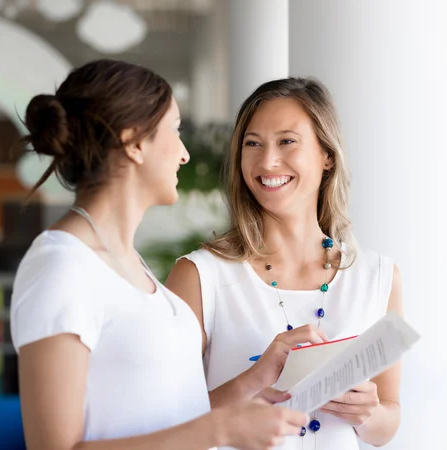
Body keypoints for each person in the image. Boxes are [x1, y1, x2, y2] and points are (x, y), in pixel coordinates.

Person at [10, 59, 309, 450]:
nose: (185, 154)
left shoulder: (128, 263)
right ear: (134, 142)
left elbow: (168, 421)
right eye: (175, 130)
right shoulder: (61, 266)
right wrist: (220, 431)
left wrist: (250, 384)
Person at [166, 77, 404, 449]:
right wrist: (251, 381)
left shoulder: (378, 278)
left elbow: (387, 424)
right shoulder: (199, 277)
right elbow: (166, 424)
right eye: (252, 144)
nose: (267, 161)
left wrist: (367, 412)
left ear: (327, 154)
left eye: (287, 141)